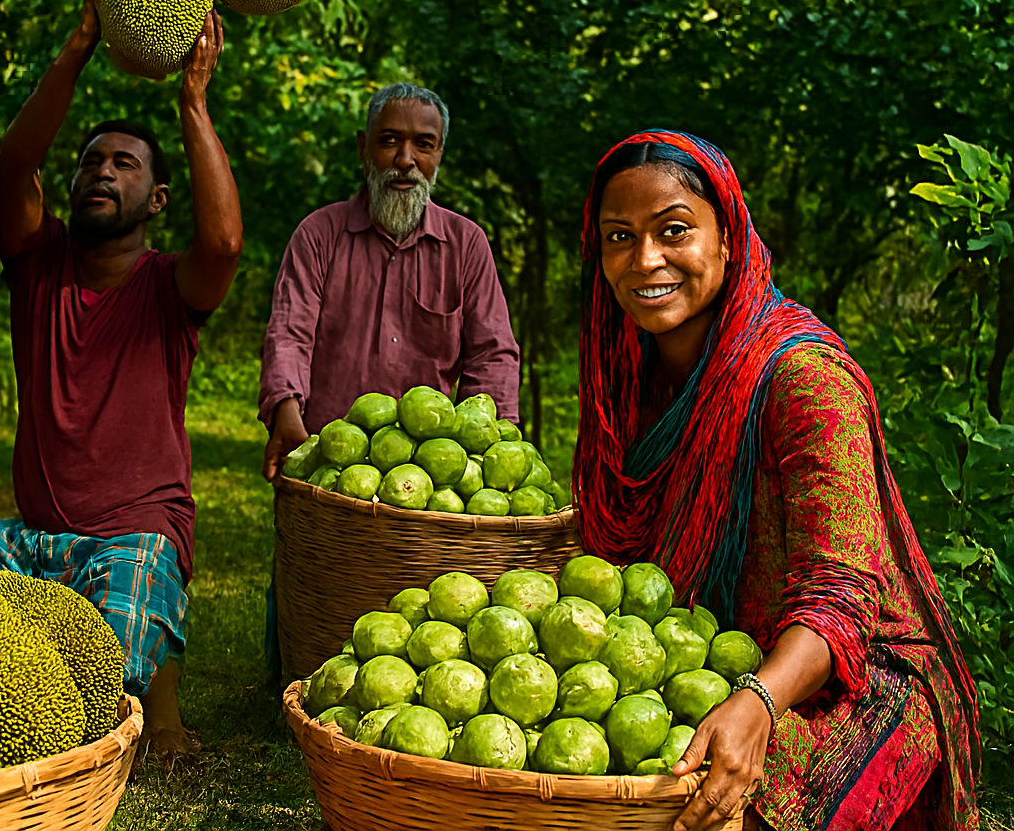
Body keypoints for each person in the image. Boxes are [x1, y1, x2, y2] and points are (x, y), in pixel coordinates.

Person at [574, 130, 979, 831]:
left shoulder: (805, 380)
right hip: (693, 661)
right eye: (619, 236)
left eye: (674, 231)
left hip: (845, 679)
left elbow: (841, 595)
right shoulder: (626, 383)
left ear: (728, 238)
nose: (645, 259)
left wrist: (758, 700)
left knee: (698, 801)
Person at [0, 0, 241, 760]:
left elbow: (226, 243)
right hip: (32, 537)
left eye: (124, 164)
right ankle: (105, 710)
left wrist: (193, 103)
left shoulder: (172, 287)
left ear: (156, 200)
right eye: (91, 161)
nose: (101, 170)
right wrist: (79, 44)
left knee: (109, 659)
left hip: (137, 533)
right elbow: (10, 170)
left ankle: (133, 714)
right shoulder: (39, 263)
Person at [258, 81, 521, 480]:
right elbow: (289, 336)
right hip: (327, 462)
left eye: (424, 144)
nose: (405, 159)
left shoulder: (466, 244)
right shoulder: (318, 235)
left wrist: (487, 451)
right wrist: (285, 413)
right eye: (390, 141)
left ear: (439, 155)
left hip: (427, 476)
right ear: (364, 148)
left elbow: (492, 354)